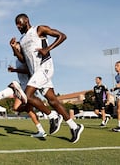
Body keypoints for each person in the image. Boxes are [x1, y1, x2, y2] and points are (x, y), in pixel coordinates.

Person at [10, 13, 84, 143]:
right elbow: (23, 60)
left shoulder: (39, 29)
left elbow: (62, 36)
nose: (18, 26)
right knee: (53, 101)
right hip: (35, 73)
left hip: (45, 67)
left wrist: (48, 48)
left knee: (27, 95)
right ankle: (75, 126)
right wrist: (14, 49)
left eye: (19, 23)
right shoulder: (22, 40)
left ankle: (52, 116)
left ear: (26, 20)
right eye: (16, 25)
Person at [8, 41, 47, 138]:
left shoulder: (24, 59)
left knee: (16, 108)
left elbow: (29, 71)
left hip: (27, 87)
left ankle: (43, 109)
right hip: (22, 85)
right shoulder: (17, 60)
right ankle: (41, 130)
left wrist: (14, 70)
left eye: (16, 48)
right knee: (29, 110)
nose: (14, 49)